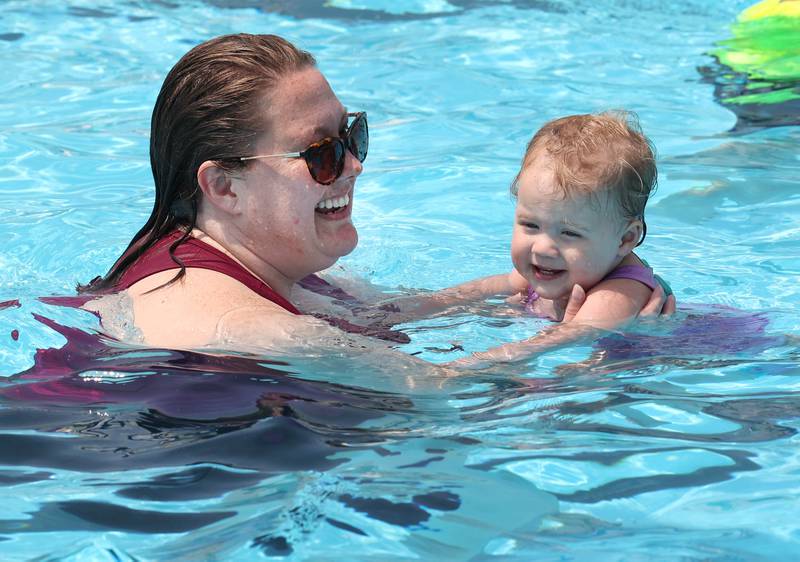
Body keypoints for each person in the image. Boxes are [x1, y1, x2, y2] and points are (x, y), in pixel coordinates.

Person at [80, 34, 672, 371]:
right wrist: (601, 345)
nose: (356, 165)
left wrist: (526, 290)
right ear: (224, 187)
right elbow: (437, 391)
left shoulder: (269, 265)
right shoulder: (233, 319)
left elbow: (401, 311)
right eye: (321, 154)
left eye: (352, 135)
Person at [453, 111, 672, 366]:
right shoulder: (554, 269)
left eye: (569, 233)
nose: (543, 248)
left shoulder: (620, 291)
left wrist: (455, 370)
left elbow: (558, 341)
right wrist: (402, 309)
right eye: (530, 224)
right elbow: (469, 294)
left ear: (625, 239)